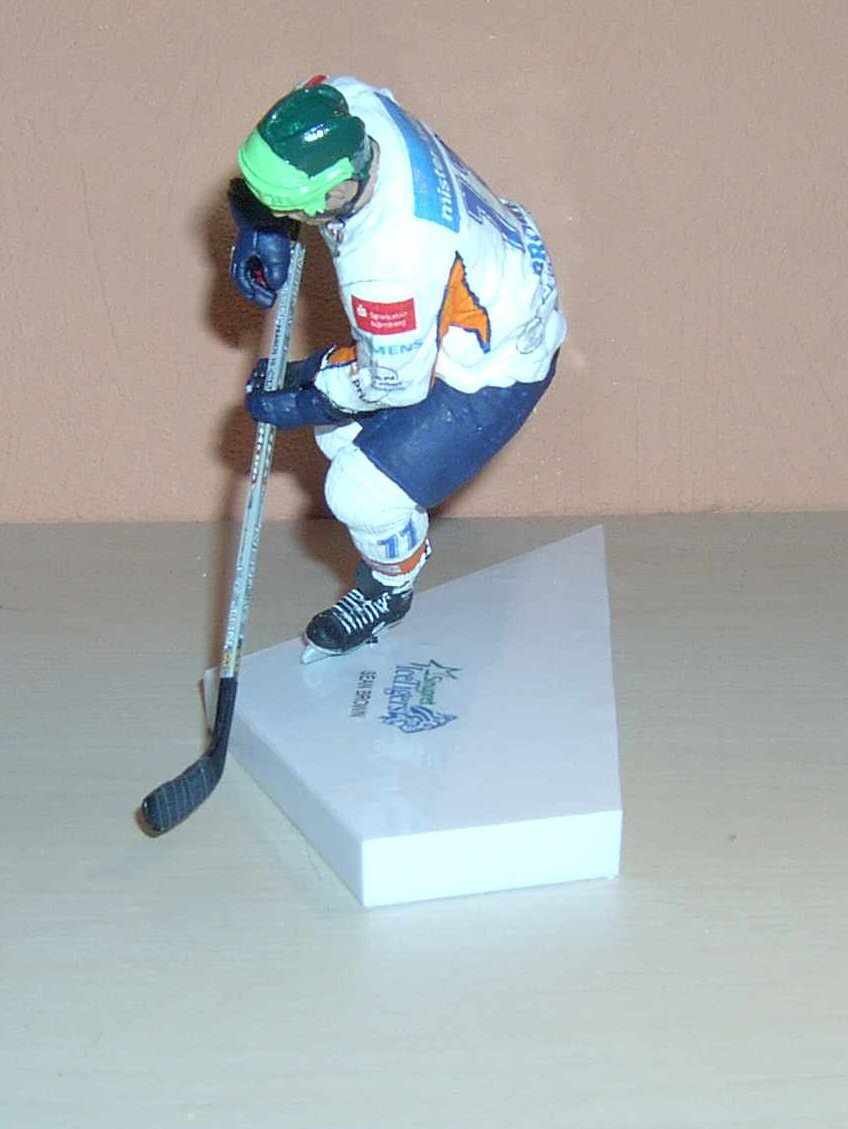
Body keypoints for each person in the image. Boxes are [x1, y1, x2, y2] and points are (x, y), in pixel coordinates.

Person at [230, 74, 566, 661]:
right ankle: (390, 520)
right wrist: (262, 220)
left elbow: (393, 383)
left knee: (360, 493)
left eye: (287, 206)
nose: (281, 212)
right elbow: (322, 87)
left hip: (498, 363)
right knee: (339, 435)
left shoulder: (386, 263)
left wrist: (306, 397)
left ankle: (389, 587)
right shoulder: (357, 104)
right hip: (494, 281)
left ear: (335, 190)